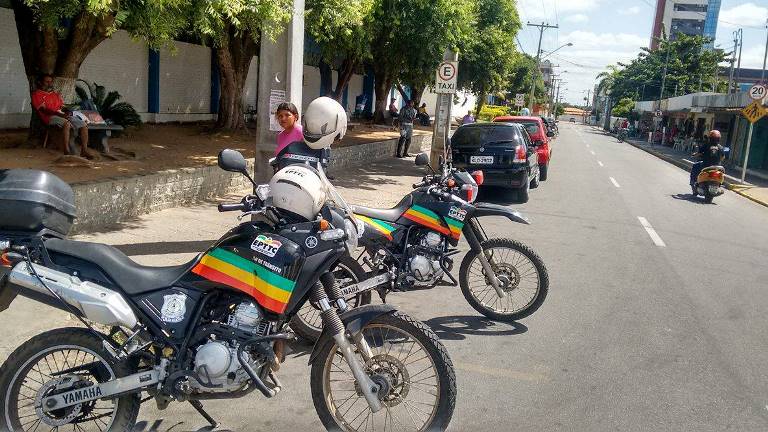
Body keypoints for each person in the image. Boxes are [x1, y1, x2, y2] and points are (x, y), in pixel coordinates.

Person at [31, 74, 93, 158]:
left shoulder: (55, 94)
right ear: (40, 83)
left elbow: (61, 107)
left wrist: (67, 111)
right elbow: (44, 110)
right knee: (66, 123)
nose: (49, 84)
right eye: (47, 82)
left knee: (84, 125)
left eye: (51, 82)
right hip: (49, 117)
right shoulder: (37, 94)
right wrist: (60, 114)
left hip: (61, 115)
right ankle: (66, 151)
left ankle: (84, 151)